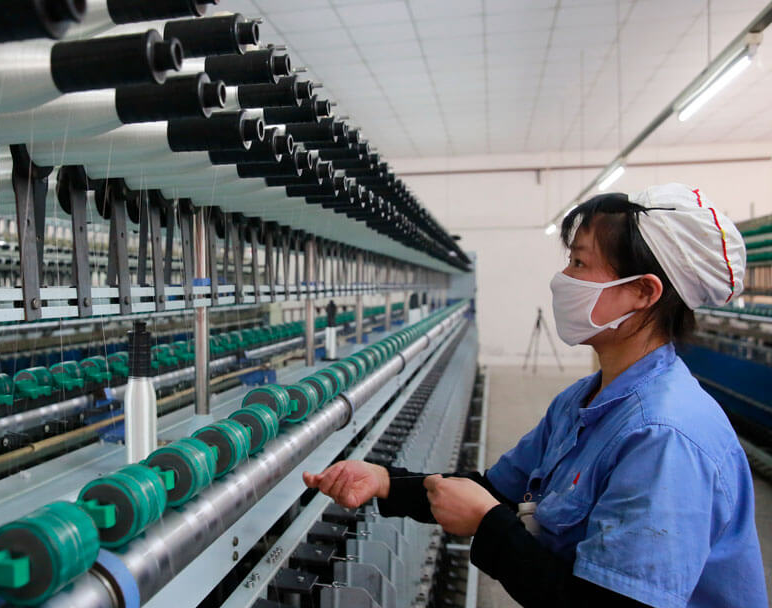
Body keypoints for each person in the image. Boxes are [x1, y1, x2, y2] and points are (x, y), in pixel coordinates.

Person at [303, 184, 767, 608]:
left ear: (643, 292)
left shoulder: (664, 438)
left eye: (579, 264)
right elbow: (495, 491)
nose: (561, 278)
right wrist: (385, 481)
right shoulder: (583, 400)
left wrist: (488, 525)